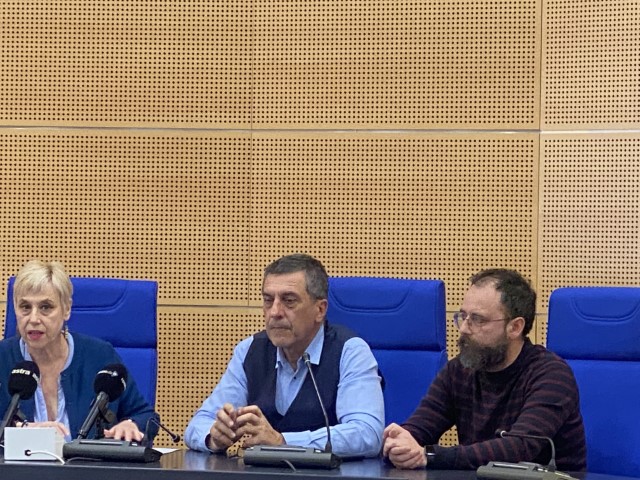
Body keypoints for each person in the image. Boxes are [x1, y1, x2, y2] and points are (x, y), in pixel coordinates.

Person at [382, 268, 586, 471]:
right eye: (463, 316)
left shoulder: (552, 375)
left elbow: (519, 448)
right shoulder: (459, 370)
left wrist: (431, 455)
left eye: (478, 319)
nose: (464, 328)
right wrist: (401, 442)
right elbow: (422, 426)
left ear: (515, 327)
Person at [185, 253, 384, 457]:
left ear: (320, 310)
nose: (275, 312)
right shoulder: (250, 350)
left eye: (289, 301)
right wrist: (214, 437)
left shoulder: (349, 351)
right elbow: (198, 425)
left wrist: (283, 442)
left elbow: (367, 434)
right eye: (268, 300)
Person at [0, 260, 159, 442]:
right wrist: (20, 430)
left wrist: (131, 424)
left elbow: (146, 416)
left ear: (66, 309)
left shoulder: (100, 355)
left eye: (46, 307)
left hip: (89, 461)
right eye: (25, 307)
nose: (34, 318)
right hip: (18, 462)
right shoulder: (3, 357)